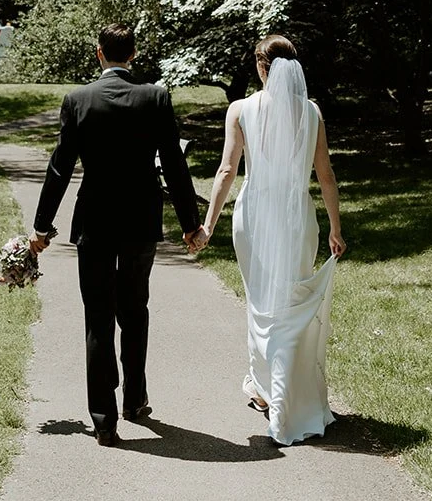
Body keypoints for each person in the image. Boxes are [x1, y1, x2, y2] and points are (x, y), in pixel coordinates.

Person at [30, 23, 203, 447]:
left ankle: (104, 420)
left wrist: (42, 225)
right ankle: (136, 398)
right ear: (134, 53)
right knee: (135, 308)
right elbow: (174, 166)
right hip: (141, 219)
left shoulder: (78, 100)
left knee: (98, 317)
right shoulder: (155, 97)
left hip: (95, 222)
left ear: (98, 54)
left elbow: (60, 166)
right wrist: (190, 223)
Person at [197, 34, 345, 445]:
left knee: (261, 303)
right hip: (298, 217)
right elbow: (326, 175)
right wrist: (335, 226)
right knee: (290, 301)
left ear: (262, 68)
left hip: (254, 216)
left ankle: (270, 393)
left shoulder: (240, 109)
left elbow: (227, 171)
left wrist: (209, 224)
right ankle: (277, 390)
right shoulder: (310, 112)